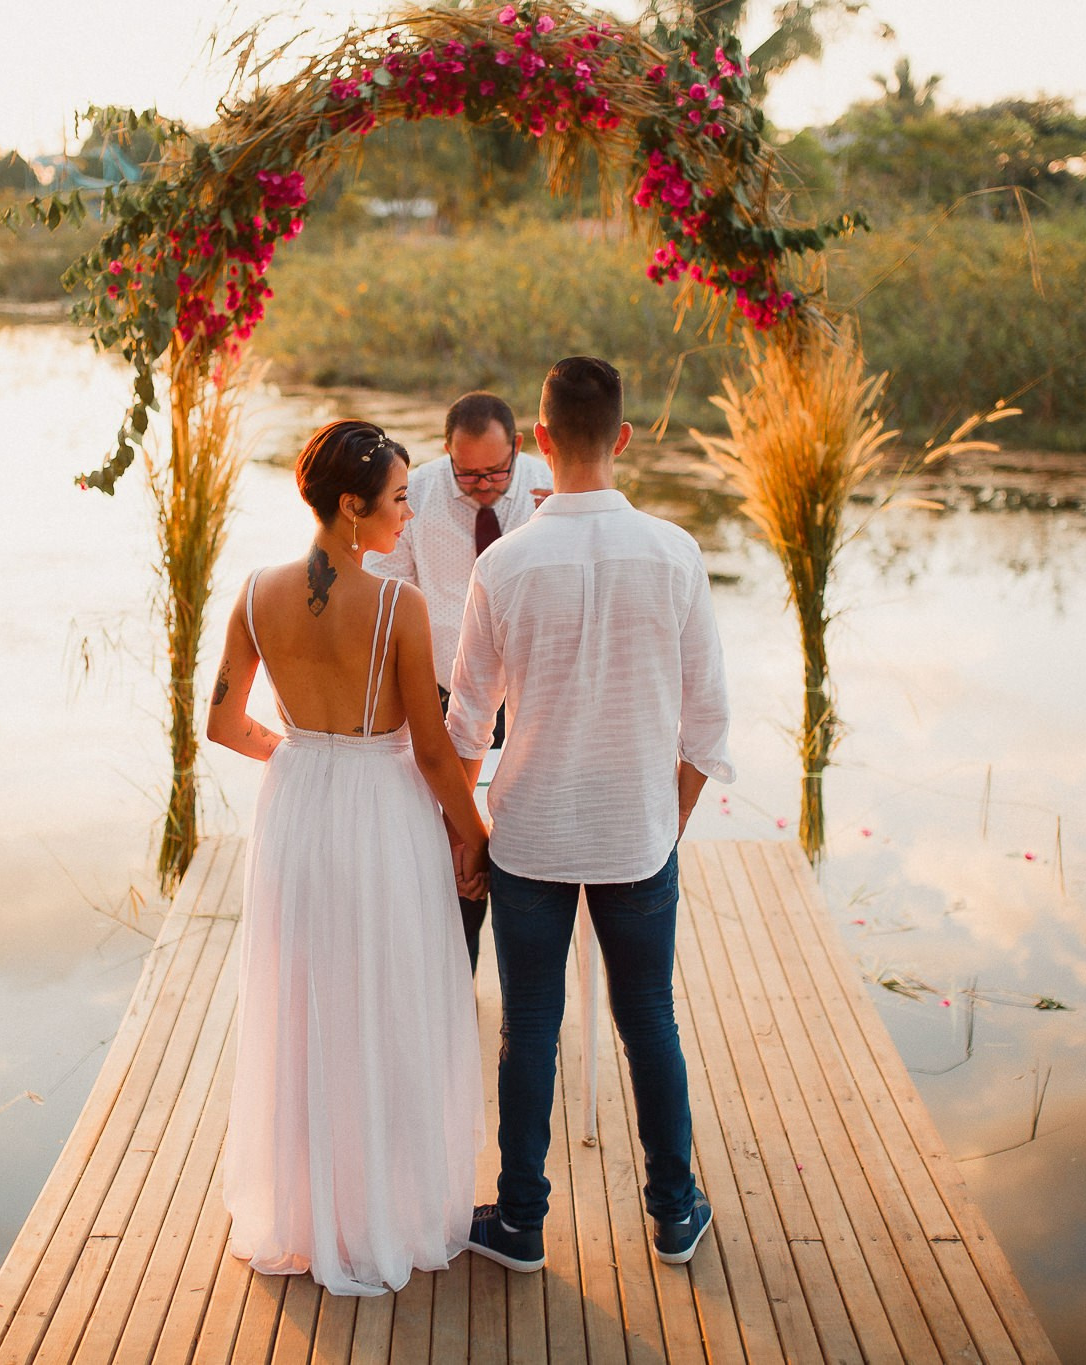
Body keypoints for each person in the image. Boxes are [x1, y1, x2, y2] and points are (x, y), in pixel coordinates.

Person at [447, 357, 733, 1273]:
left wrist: (470, 836)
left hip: (529, 832)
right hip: (636, 833)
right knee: (650, 1017)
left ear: (537, 444)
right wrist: (664, 823)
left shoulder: (503, 562)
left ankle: (522, 1223)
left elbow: (464, 726)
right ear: (623, 436)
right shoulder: (678, 553)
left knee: (528, 1020)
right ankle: (675, 1211)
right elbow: (709, 728)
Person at [205, 418, 489, 1296]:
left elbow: (221, 722)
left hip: (300, 809)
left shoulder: (254, 592)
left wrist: (293, 755)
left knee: (306, 1002)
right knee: (387, 998)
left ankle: (306, 1211)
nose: (408, 515)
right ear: (352, 505)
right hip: (381, 812)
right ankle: (383, 1211)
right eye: (399, 499)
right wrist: (473, 840)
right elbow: (436, 752)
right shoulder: (397, 607)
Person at [366, 391, 553, 973]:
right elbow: (385, 594)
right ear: (446, 453)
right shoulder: (415, 495)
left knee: (525, 839)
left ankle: (526, 987)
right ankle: (454, 981)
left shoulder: (553, 490)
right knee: (448, 845)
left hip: (531, 698)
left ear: (518, 448)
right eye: (466, 472)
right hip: (443, 694)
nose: (482, 484)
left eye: (496, 471)